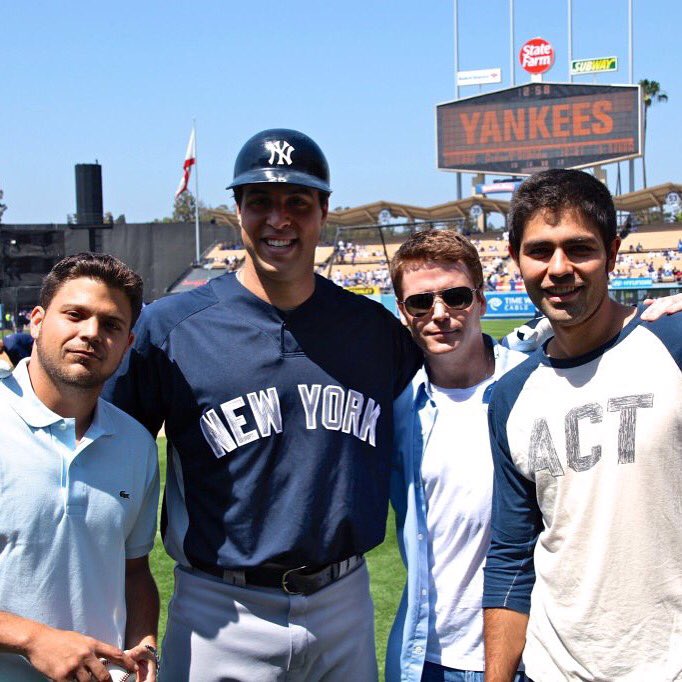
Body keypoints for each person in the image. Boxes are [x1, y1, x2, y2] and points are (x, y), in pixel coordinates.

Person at [104, 128, 422, 681]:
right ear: (237, 211)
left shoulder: (375, 331)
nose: (279, 219)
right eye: (261, 202)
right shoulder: (171, 329)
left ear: (324, 210)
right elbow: (108, 461)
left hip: (343, 600)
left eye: (297, 202)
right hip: (220, 611)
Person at [482, 169, 682, 681]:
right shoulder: (509, 396)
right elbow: (511, 557)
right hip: (552, 669)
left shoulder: (672, 344)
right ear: (515, 259)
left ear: (613, 254)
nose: (558, 268)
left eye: (579, 248)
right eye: (540, 250)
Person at [0, 253, 160, 681]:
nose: (90, 333)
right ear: (36, 321)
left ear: (127, 345)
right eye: (75, 314)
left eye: (111, 325)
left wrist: (146, 648)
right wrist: (34, 639)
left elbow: (134, 569)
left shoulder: (136, 445)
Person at [385, 230, 528, 682]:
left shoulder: (536, 384)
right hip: (427, 658)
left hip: (534, 656)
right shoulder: (396, 409)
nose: (440, 314)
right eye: (421, 303)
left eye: (456, 296)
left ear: (481, 301)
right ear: (403, 313)